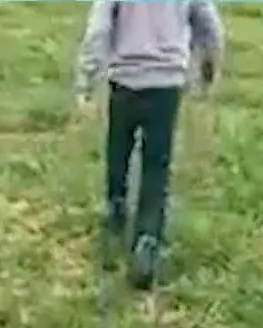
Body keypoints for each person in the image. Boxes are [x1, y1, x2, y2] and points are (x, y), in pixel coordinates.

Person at [74, 0, 224, 290]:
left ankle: (116, 207)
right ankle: (147, 239)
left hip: (125, 80)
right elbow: (209, 25)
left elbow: (99, 27)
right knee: (157, 163)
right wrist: (208, 70)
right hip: (166, 84)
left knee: (118, 145)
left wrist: (87, 78)